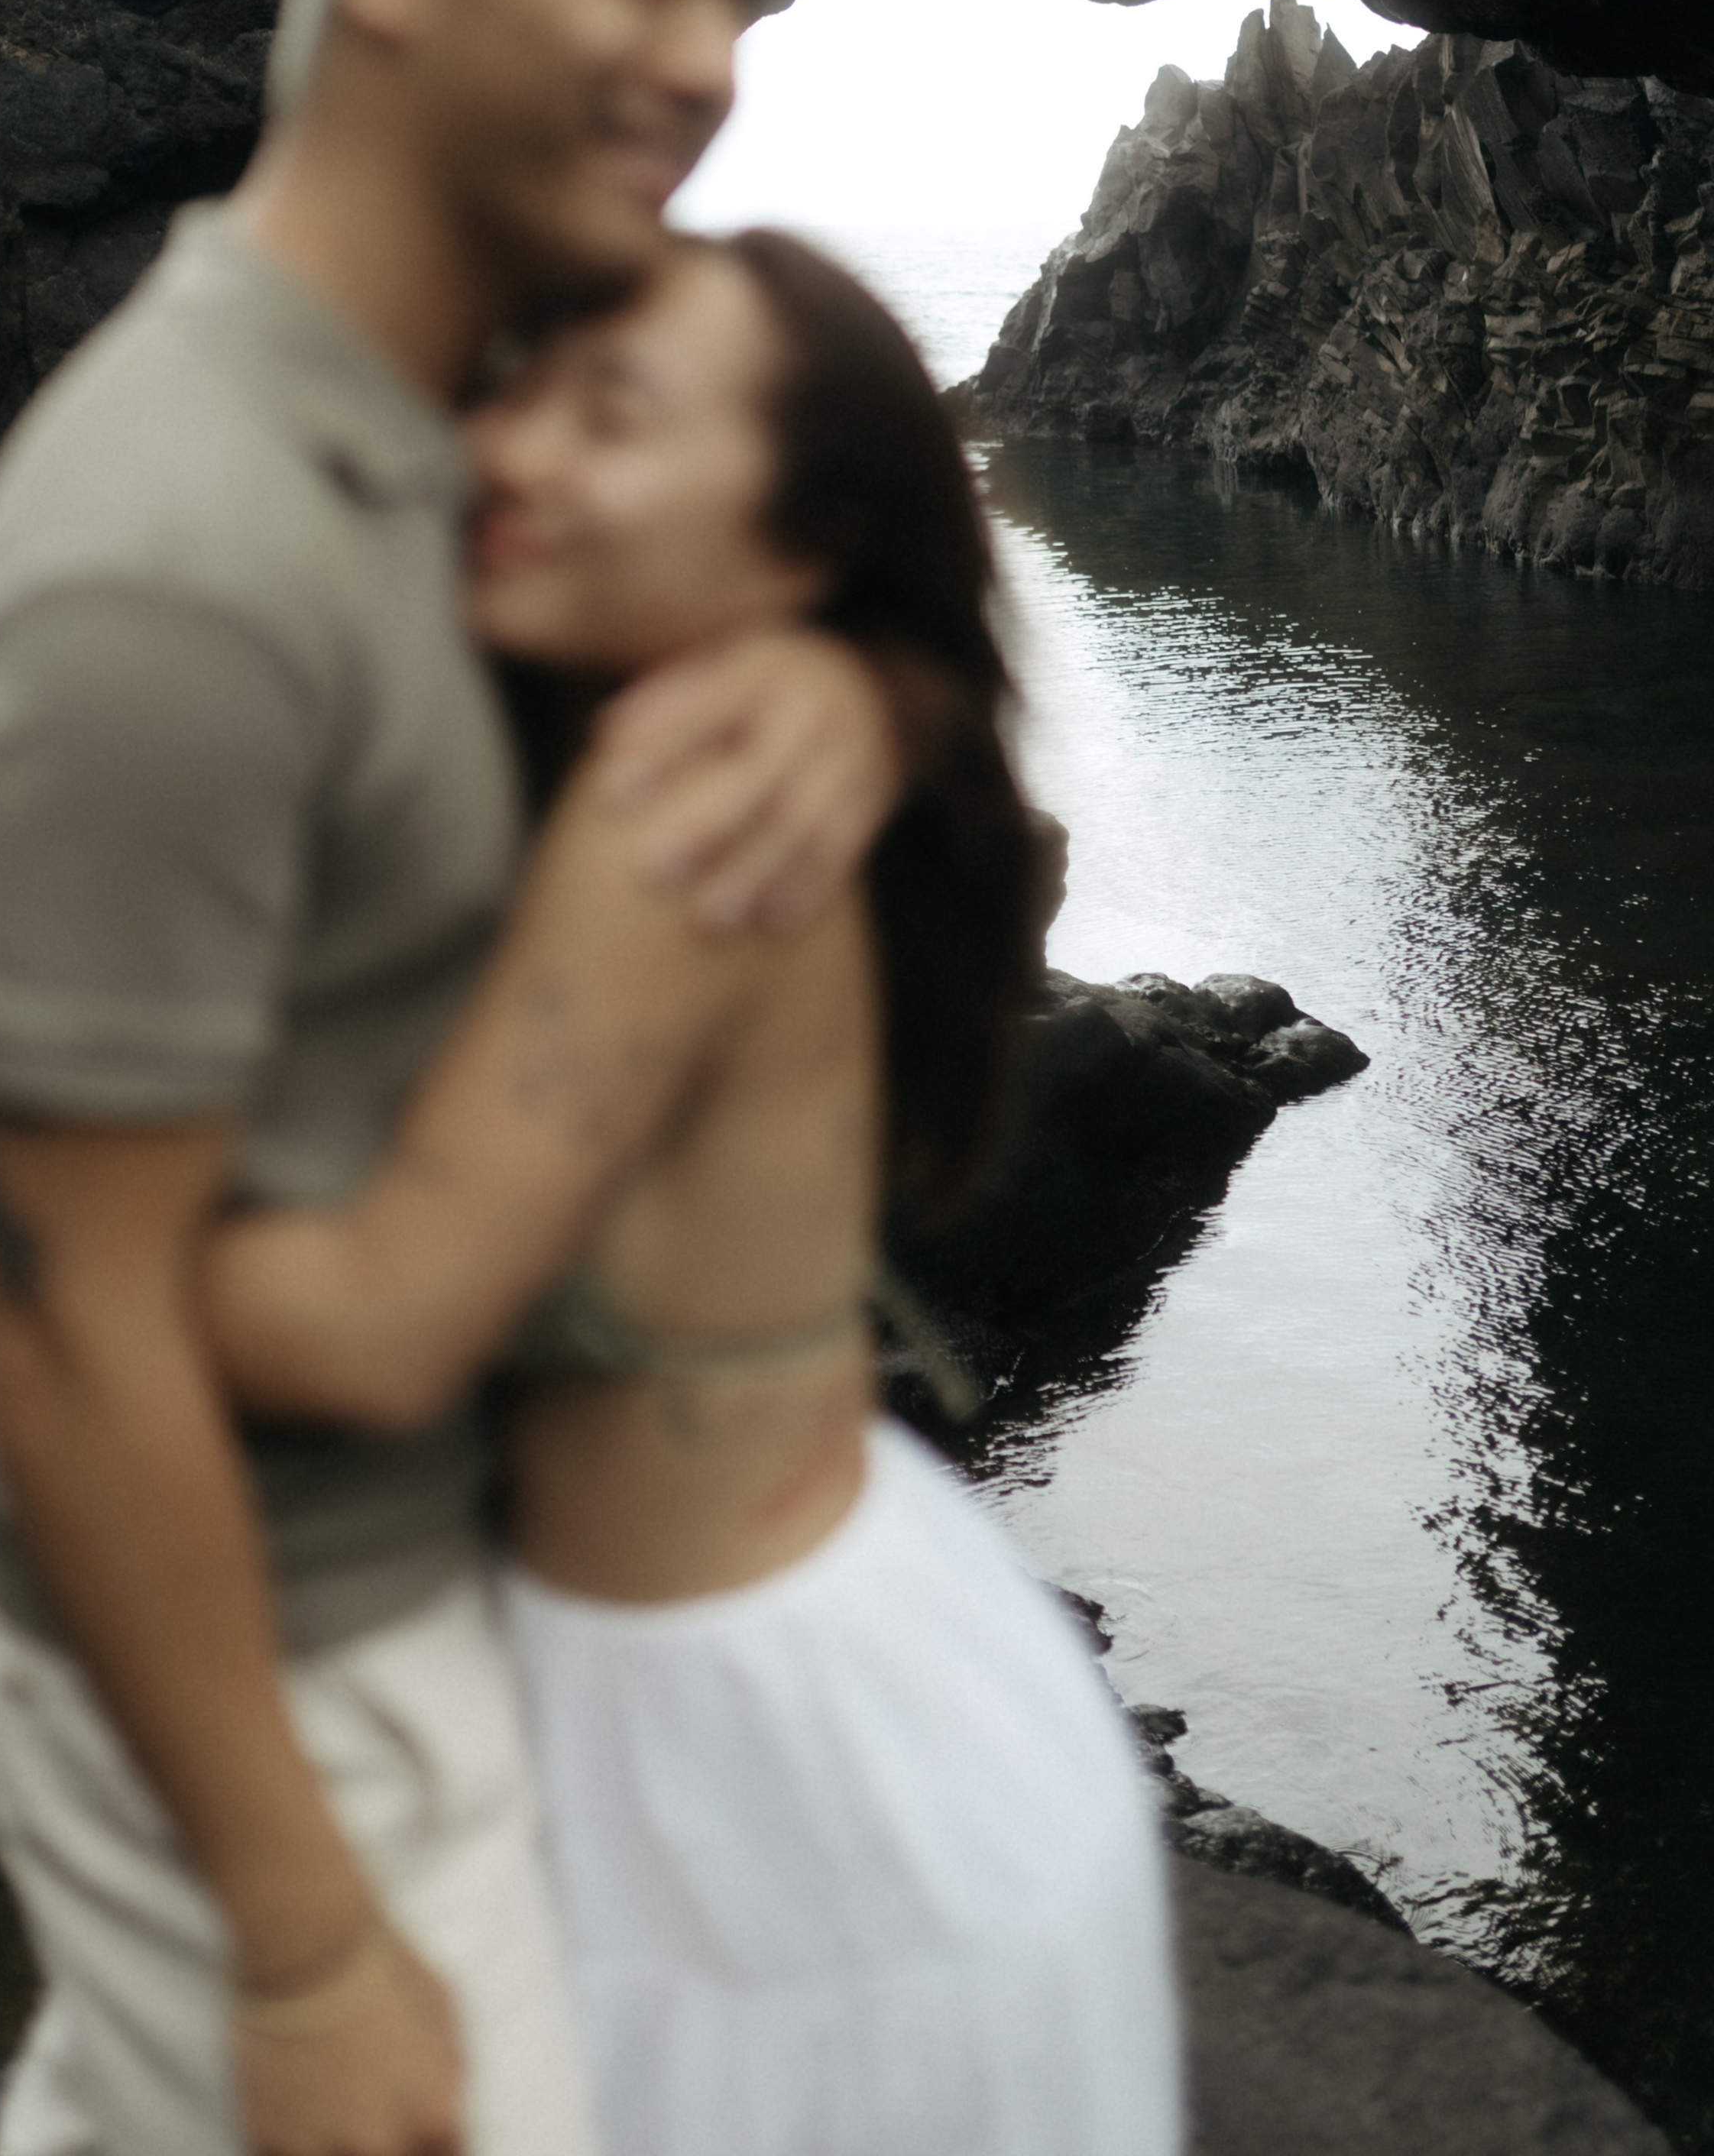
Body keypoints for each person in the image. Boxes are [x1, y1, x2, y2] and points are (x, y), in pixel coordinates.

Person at [0, 0, 912, 2156]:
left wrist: (864, 676)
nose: (709, 60)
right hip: (299, 1668)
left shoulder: (436, 443)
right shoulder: (168, 556)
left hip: (413, 1594)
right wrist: (307, 1933)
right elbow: (59, 1340)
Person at [146, 229, 1183, 2155]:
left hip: (721, 1742)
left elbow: (381, 1329)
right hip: (814, 1639)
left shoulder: (668, 820)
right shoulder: (772, 744)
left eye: (609, 414)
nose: (517, 446)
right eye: (521, 382)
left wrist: (60, 1226)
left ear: (802, 540)